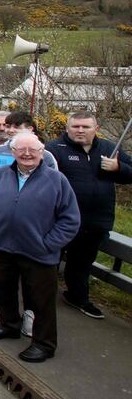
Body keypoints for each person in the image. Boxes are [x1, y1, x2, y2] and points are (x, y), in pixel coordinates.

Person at [0, 132, 80, 363]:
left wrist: (48, 244)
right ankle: (9, 324)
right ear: (12, 152)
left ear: (41, 152)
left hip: (38, 252)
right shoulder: (0, 176)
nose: (26, 154)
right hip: (0, 246)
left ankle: (44, 344)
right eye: (21, 150)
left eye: (33, 150)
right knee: (3, 290)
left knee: (41, 300)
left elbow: (70, 219)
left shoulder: (57, 180)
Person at [46, 111, 132, 320]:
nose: (80, 131)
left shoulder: (110, 148)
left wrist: (118, 167)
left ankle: (77, 297)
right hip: (60, 219)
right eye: (75, 126)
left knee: (82, 263)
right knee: (49, 260)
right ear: (67, 128)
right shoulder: (54, 149)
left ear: (96, 129)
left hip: (96, 220)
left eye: (85, 127)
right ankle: (41, 299)